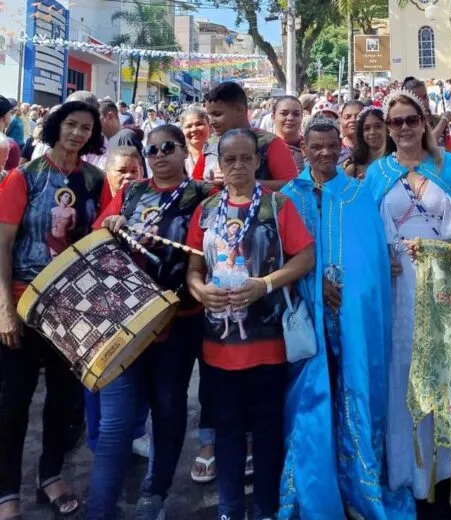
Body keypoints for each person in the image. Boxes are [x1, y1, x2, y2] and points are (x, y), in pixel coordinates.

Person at [279, 116, 415, 519]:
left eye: (329, 145)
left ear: (341, 146)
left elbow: (374, 262)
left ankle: (360, 485)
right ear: (302, 148)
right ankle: (313, 490)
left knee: (355, 393)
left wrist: (360, 284)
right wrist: (313, 285)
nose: (323, 153)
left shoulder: (359, 197)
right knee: (311, 400)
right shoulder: (287, 197)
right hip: (305, 317)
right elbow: (279, 257)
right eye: (314, 146)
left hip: (354, 318)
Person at [85, 125, 214, 520]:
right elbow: (96, 238)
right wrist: (109, 227)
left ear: (182, 151)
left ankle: (154, 493)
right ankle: (100, 509)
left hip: (179, 321)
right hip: (126, 321)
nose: (159, 155)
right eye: (152, 149)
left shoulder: (203, 196)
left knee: (168, 409)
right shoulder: (131, 193)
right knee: (116, 423)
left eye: (168, 147)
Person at [185, 128, 314, 520]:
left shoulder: (277, 206)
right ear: (219, 165)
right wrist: (198, 290)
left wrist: (265, 284)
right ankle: (228, 508)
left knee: (266, 431)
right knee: (226, 430)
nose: (238, 166)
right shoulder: (205, 210)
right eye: (230, 160)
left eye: (246, 158)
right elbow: (194, 267)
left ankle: (264, 509)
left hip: (267, 343)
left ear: (258, 161)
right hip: (217, 345)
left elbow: (304, 257)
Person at [364, 90, 451, 504]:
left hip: (444, 279)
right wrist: (380, 260)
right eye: (396, 122)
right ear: (388, 130)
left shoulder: (449, 167)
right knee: (403, 368)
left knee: (446, 363)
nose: (405, 128)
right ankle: (410, 464)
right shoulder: (376, 173)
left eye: (412, 120)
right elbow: (368, 233)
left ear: (425, 122)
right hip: (397, 285)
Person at [0, 101, 106, 520]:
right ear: (55, 126)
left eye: (86, 127)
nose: (78, 133)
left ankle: (50, 475)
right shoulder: (23, 177)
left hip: (74, 307)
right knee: (13, 402)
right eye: (71, 125)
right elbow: (3, 246)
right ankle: (7, 490)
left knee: (64, 401)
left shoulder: (96, 180)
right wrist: (5, 309)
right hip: (24, 303)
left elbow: (103, 236)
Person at [204, 81, 298, 190]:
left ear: (240, 110)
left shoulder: (269, 143)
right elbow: (195, 184)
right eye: (209, 115)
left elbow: (292, 186)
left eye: (217, 114)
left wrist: (249, 183)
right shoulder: (210, 143)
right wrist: (210, 180)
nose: (211, 122)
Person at [344, 107, 387, 179]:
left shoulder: (398, 161)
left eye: (378, 126)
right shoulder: (353, 169)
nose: (372, 132)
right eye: (367, 128)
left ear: (388, 129)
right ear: (361, 133)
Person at [180, 107, 219, 182]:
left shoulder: (220, 153)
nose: (194, 129)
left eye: (199, 124)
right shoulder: (178, 157)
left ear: (210, 127)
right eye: (189, 126)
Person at [272, 96, 305, 173]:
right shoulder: (264, 148)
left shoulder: (311, 147)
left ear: (302, 117)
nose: (290, 118)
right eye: (284, 114)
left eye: (296, 114)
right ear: (273, 116)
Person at [338, 100, 364, 167]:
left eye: (359, 116)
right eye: (347, 117)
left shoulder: (375, 149)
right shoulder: (334, 149)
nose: (353, 120)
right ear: (341, 120)